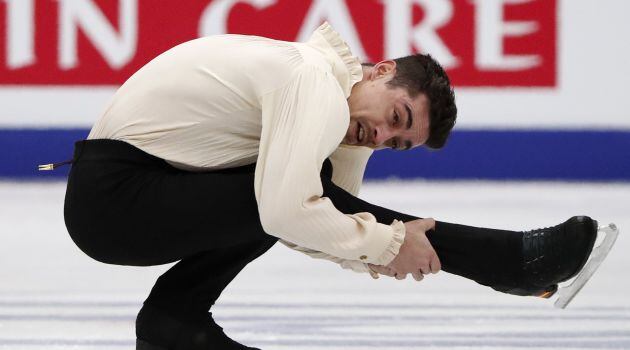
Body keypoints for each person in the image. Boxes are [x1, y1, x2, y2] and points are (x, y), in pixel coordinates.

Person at [54, 22, 605, 350]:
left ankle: (173, 324)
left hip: (136, 196)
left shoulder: (333, 115)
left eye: (396, 142)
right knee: (294, 189)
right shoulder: (310, 81)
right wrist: (390, 245)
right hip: (115, 199)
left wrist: (387, 249)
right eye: (396, 114)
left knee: (299, 189)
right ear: (379, 70)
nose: (381, 135)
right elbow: (292, 211)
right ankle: (508, 261)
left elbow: (318, 225)